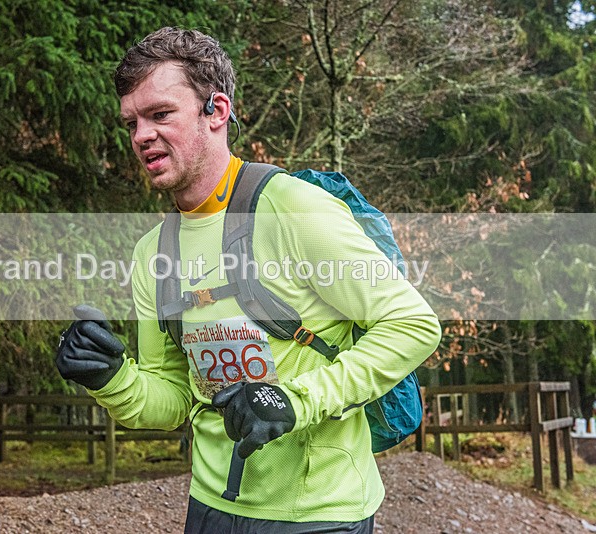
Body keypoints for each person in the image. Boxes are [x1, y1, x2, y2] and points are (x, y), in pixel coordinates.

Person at [56, 27, 441, 533]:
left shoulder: (292, 207)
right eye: (131, 122)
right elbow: (173, 398)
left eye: (160, 114)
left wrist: (292, 400)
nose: (141, 135)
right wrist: (110, 378)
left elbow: (413, 324)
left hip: (320, 513)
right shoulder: (152, 252)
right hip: (211, 509)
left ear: (216, 111)